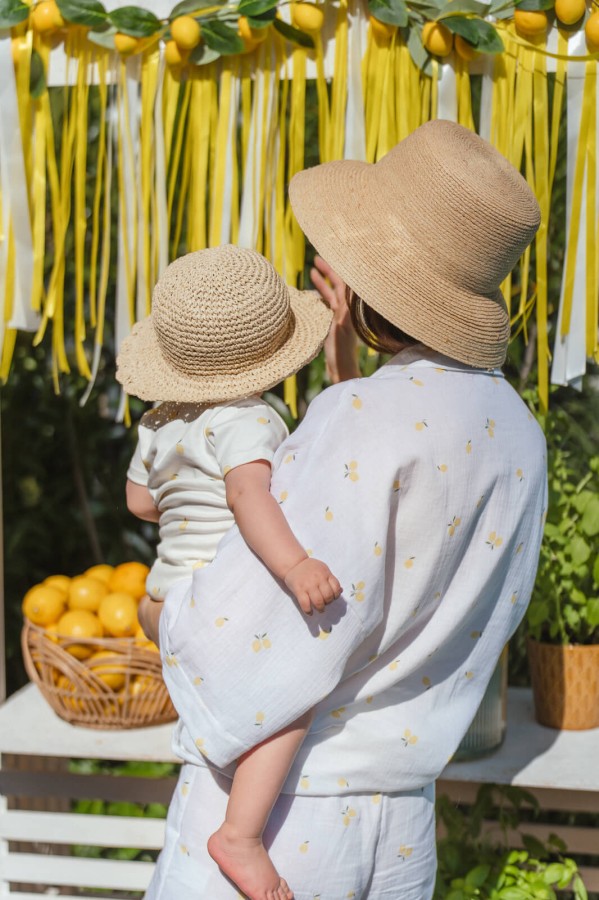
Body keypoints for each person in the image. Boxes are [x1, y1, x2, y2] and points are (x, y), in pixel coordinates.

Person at [140, 119, 548, 900]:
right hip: (399, 823)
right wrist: (346, 368)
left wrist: (165, 615)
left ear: (367, 283)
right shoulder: (517, 434)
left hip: (283, 816)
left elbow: (267, 631)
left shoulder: (357, 416)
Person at [116, 244, 342, 900]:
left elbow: (138, 501)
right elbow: (249, 497)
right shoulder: (249, 419)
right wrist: (295, 563)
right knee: (290, 696)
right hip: (217, 600)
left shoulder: (156, 421)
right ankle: (240, 833)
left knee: (243, 704)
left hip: (167, 595)